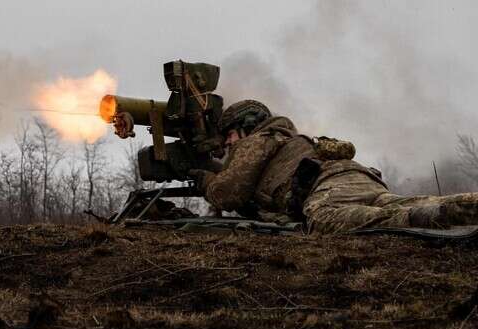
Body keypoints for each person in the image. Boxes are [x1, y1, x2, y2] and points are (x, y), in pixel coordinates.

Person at [188, 100, 478, 234]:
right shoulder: (288, 138)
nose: (227, 143)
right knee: (397, 202)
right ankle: (466, 206)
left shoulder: (256, 140)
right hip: (358, 177)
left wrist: (204, 180)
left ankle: (427, 219)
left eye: (229, 134)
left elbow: (229, 194)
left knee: (328, 220)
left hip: (327, 189)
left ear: (247, 126)